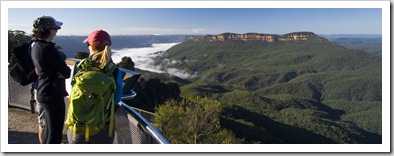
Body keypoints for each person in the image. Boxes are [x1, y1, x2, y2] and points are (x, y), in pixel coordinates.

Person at [67, 30, 123, 144]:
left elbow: (70, 91)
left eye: (88, 44)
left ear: (91, 47)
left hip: (77, 128)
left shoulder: (78, 67)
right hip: (102, 129)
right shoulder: (115, 71)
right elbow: (116, 99)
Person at [30, 15, 71, 144]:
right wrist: (59, 73)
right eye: (54, 28)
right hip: (52, 95)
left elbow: (39, 69)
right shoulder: (48, 49)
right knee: (55, 134)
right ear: (46, 30)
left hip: (43, 93)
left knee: (48, 131)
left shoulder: (35, 45)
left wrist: (54, 72)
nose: (56, 30)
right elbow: (66, 72)